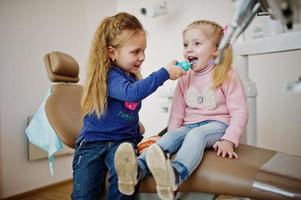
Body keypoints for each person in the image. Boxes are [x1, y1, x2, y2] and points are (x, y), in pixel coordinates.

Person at [115, 19, 248, 200]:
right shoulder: (185, 77)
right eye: (186, 45)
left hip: (217, 125)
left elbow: (240, 112)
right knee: (170, 136)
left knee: (196, 135)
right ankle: (137, 169)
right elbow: (177, 109)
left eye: (197, 44)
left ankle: (176, 174)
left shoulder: (225, 73)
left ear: (215, 50)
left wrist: (229, 140)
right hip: (190, 124)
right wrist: (172, 135)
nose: (189, 50)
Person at [71, 12, 186, 200]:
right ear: (112, 53)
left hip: (122, 142)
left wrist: (135, 125)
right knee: (84, 194)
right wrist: (165, 73)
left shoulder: (130, 77)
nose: (142, 57)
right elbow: (132, 93)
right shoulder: (109, 75)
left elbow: (123, 109)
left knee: (124, 183)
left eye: (144, 50)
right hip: (93, 143)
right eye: (135, 52)